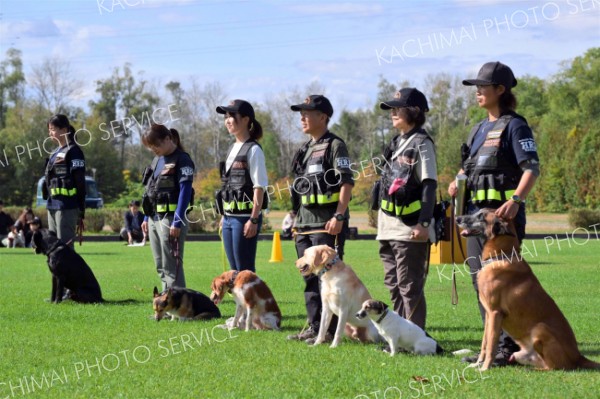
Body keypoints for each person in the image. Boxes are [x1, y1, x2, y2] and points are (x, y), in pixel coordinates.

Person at [448, 61, 540, 366]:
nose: (477, 92)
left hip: (503, 222)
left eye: (482, 86)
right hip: (477, 221)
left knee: (505, 285)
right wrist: (456, 181)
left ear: (500, 89)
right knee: (480, 282)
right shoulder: (478, 128)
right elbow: (470, 167)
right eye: (476, 87)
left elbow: (532, 168)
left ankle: (508, 348)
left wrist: (516, 199)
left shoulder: (516, 125)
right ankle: (491, 347)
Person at [286, 95, 354, 344]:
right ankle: (315, 327)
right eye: (300, 113)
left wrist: (339, 215)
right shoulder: (305, 148)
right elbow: (298, 188)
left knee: (330, 280)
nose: (302, 117)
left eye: (307, 112)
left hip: (326, 223)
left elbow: (347, 181)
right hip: (304, 225)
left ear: (323, 117)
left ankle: (330, 331)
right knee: (309, 279)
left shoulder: (336, 145)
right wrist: (294, 220)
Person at [376, 88, 438, 330]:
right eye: (391, 109)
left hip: (409, 229)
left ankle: (415, 336)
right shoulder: (395, 143)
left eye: (397, 108)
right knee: (393, 284)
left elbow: (429, 184)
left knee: (409, 285)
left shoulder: (422, 143)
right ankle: (400, 336)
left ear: (413, 111)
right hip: (387, 227)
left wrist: (424, 224)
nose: (393, 113)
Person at [215, 100, 268, 272]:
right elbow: (228, 185)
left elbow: (259, 187)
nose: (228, 120)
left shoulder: (254, 150)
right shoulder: (232, 148)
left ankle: (252, 300)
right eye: (226, 117)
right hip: (229, 217)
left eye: (232, 116)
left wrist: (253, 219)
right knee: (234, 271)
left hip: (245, 218)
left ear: (246, 119)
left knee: (245, 270)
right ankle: (241, 300)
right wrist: (224, 215)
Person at [141, 124, 195, 290]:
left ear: (167, 139)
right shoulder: (157, 160)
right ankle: (167, 304)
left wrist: (177, 221)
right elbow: (150, 190)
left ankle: (180, 308)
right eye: (150, 147)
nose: (153, 150)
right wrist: (145, 217)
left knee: (172, 266)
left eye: (155, 145)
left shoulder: (182, 159)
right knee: (160, 265)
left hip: (171, 219)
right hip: (154, 218)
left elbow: (185, 191)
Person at [43, 114, 86, 249]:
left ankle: (72, 271)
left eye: (53, 129)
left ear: (64, 130)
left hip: (67, 207)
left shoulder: (74, 151)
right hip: (52, 205)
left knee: (65, 250)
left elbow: (80, 182)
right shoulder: (54, 153)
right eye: (49, 130)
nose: (50, 133)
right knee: (54, 250)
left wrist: (81, 210)